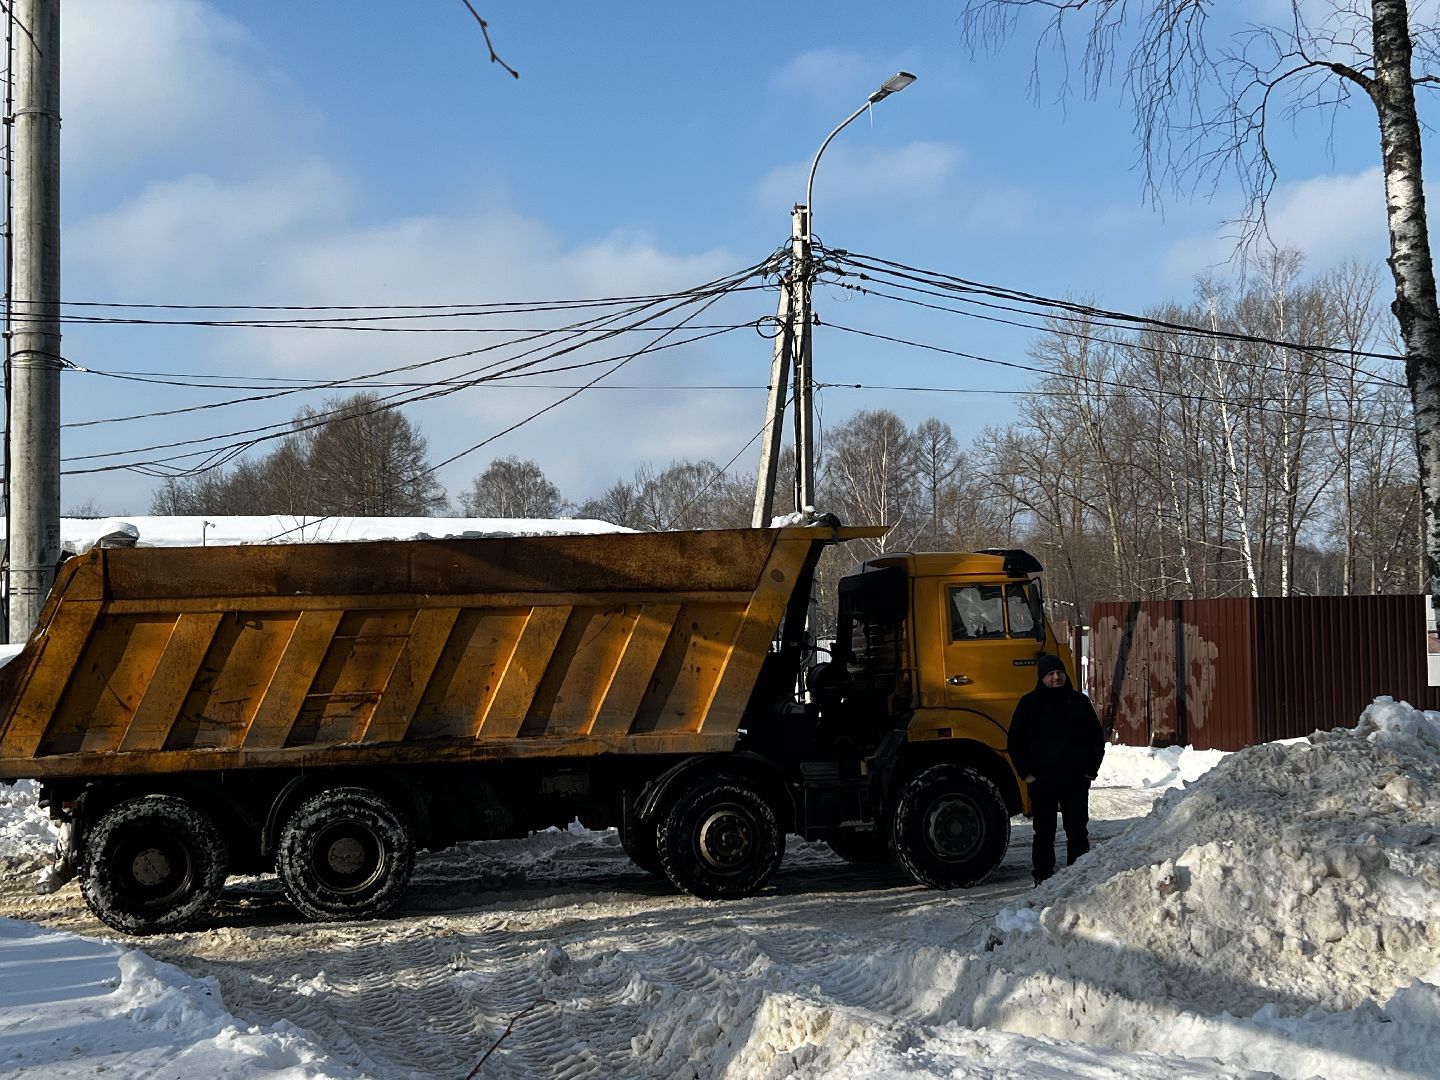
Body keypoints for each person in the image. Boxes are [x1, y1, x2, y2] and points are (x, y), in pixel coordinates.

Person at [1007, 653, 1106, 885]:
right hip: (1042, 781)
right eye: (1050, 674)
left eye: (1059, 673)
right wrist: (1027, 774)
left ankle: (1079, 876)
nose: (1056, 677)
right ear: (1042, 678)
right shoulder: (1029, 704)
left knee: (1078, 832)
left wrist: (1090, 770)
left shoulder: (1079, 702)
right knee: (1043, 834)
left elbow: (1095, 739)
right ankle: (1043, 878)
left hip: (1075, 780)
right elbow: (1015, 742)